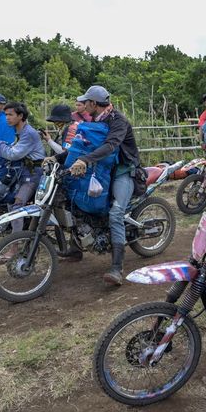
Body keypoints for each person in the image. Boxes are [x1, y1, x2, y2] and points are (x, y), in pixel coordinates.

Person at [68, 85, 140, 285]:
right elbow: (81, 145)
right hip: (102, 171)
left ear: (93, 103)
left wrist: (85, 160)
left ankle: (117, 268)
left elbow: (110, 146)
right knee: (73, 198)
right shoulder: (94, 120)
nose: (82, 106)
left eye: (86, 102)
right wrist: (56, 157)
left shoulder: (118, 120)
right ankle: (75, 248)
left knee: (116, 213)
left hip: (123, 171)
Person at [0, 102, 46, 235]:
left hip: (33, 175)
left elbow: (14, 154)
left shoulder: (29, 133)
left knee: (16, 206)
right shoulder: (21, 131)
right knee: (9, 200)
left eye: (10, 114)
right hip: (23, 173)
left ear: (20, 116)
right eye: (6, 115)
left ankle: (14, 245)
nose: (7, 118)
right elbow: (14, 148)